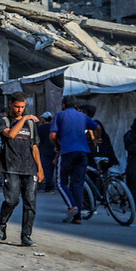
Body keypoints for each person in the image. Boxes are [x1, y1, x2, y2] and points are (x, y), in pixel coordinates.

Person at [0, 92, 44, 247]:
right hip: (10, 168)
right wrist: (23, 118)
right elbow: (11, 135)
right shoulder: (3, 121)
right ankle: (1, 222)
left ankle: (26, 236)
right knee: (12, 200)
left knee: (31, 203)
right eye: (17, 106)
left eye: (22, 107)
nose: (19, 109)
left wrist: (40, 168)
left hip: (29, 168)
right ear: (10, 104)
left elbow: (34, 147)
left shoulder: (31, 125)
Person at [50, 95, 97, 224]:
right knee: (78, 185)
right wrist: (96, 140)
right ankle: (78, 217)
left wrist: (57, 145)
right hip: (83, 152)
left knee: (61, 183)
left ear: (63, 104)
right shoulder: (82, 116)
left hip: (67, 152)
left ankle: (72, 206)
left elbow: (52, 135)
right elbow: (96, 127)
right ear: (76, 105)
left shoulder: (60, 115)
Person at [36, 112, 56, 192]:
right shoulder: (54, 127)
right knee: (52, 168)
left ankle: (49, 186)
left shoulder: (40, 128)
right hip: (54, 149)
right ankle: (50, 185)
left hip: (44, 150)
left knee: (46, 168)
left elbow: (37, 139)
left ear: (44, 119)